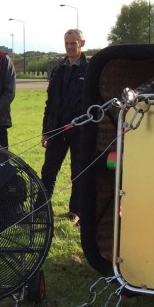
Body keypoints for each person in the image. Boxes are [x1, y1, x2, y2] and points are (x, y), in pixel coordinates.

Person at [41, 29, 90, 225]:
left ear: (82, 43)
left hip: (80, 130)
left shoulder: (90, 70)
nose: (70, 47)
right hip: (57, 129)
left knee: (78, 171)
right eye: (67, 43)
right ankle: (41, 208)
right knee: (48, 170)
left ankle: (75, 211)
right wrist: (46, 130)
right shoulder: (58, 70)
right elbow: (50, 103)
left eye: (73, 43)